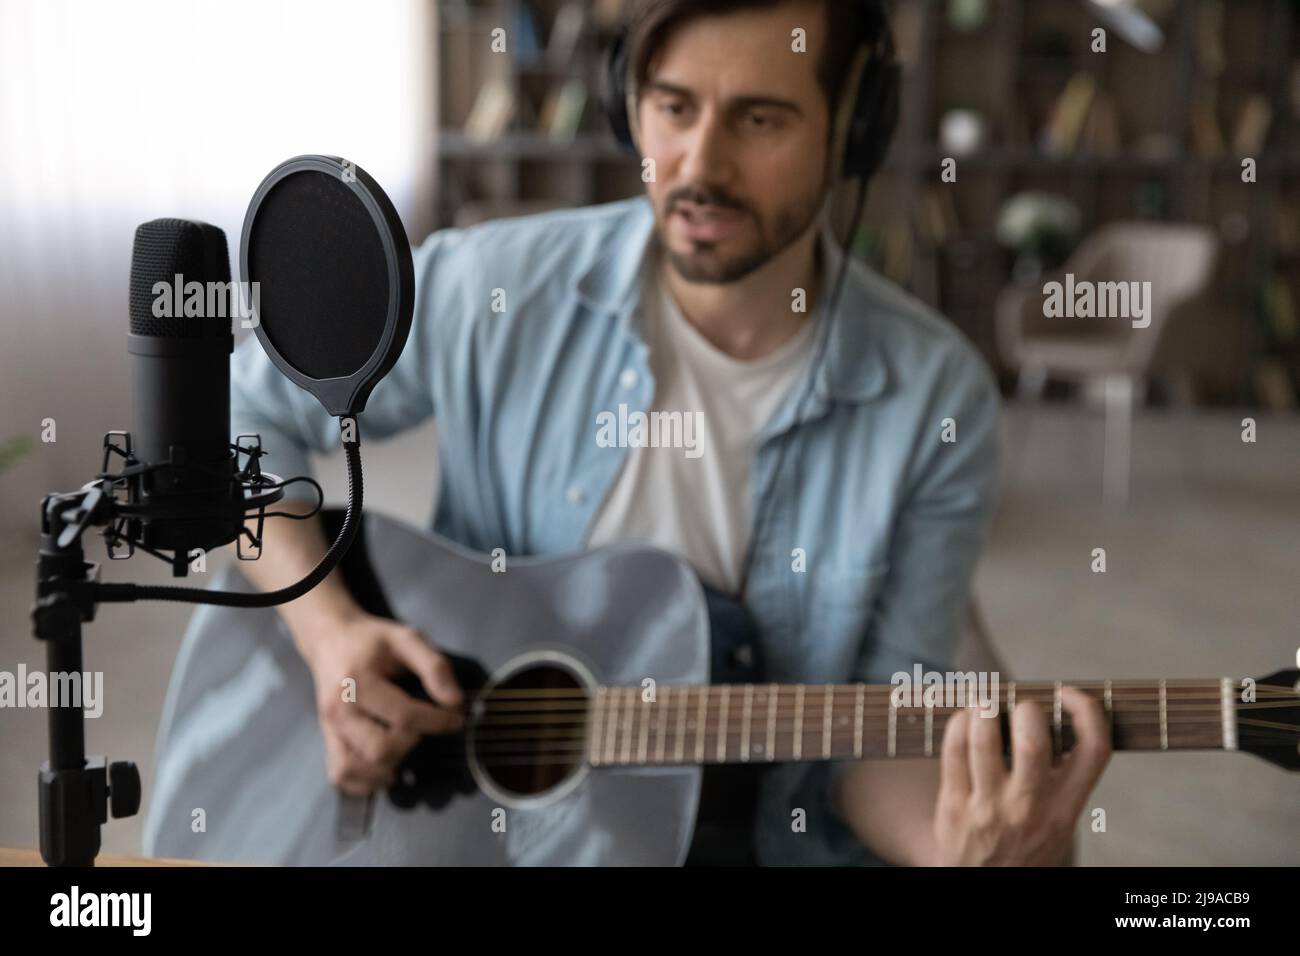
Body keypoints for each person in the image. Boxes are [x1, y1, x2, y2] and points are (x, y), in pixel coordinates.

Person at [230, 0, 1111, 865]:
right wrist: (328, 633)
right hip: (467, 825)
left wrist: (965, 854)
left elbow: (869, 741)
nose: (700, 164)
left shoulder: (935, 398)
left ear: (855, 126)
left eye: (760, 118)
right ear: (628, 103)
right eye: (673, 107)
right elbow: (241, 412)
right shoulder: (492, 288)